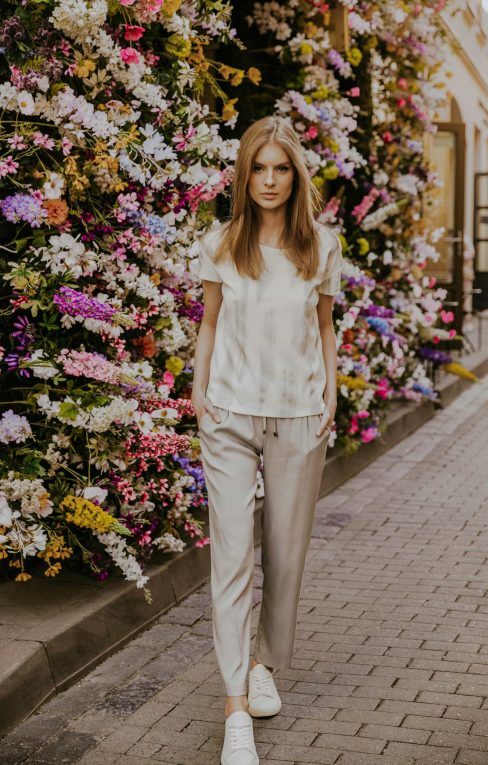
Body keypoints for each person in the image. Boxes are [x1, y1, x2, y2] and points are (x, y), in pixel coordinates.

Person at [191, 115, 342, 765]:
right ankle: (234, 708)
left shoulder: (321, 249)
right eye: (260, 167)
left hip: (299, 417)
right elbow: (209, 323)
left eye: (282, 168)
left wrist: (331, 395)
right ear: (244, 174)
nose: (271, 180)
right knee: (231, 559)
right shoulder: (221, 243)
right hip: (228, 415)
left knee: (284, 558)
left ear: (296, 176)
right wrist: (199, 394)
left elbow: (326, 328)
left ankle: (263, 663)